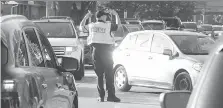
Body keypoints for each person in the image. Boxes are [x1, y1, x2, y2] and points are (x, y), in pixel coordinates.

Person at [80, 9, 121, 102]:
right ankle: (111, 96)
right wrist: (116, 15)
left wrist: (87, 16)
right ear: (102, 16)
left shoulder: (91, 26)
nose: (107, 17)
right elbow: (118, 26)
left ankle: (101, 96)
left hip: (95, 52)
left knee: (99, 75)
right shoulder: (108, 25)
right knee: (109, 74)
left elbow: (81, 27)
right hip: (107, 52)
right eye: (106, 15)